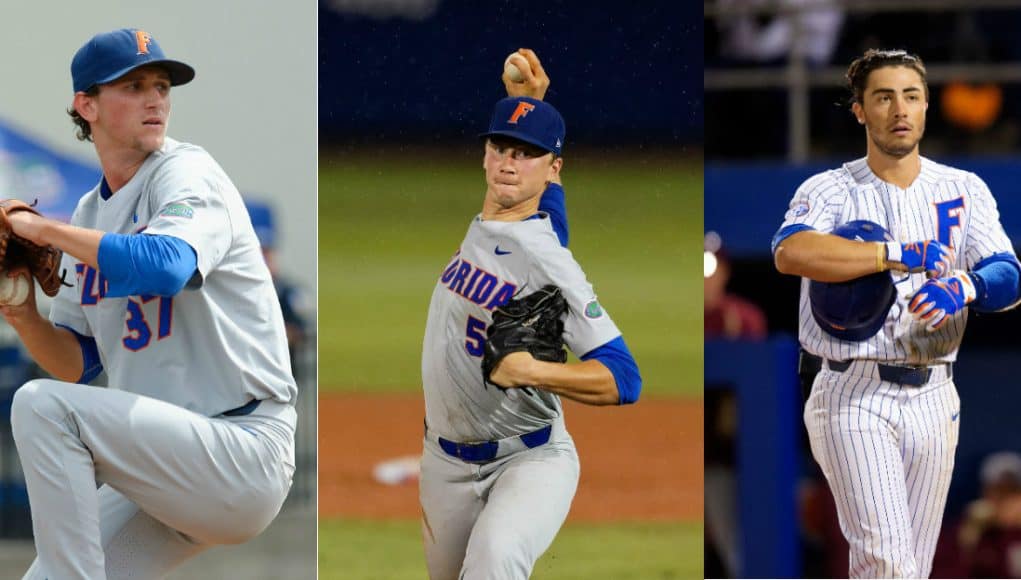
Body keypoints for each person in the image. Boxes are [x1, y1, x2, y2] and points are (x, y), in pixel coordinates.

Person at [4, 28, 297, 579]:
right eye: (133, 85)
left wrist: (44, 230)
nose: (155, 98)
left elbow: (166, 266)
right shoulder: (90, 214)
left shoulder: (186, 172)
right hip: (165, 467)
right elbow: (79, 362)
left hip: (241, 447)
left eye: (161, 85)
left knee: (39, 404)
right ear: (85, 104)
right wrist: (23, 315)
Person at [772, 48, 1021, 578]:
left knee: (910, 568)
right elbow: (789, 252)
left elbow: (1009, 276)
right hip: (852, 391)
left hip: (936, 394)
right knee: (887, 563)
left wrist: (968, 284)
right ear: (860, 110)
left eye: (911, 96)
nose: (899, 109)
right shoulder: (829, 190)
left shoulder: (962, 188)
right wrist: (891, 255)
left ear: (927, 106)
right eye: (883, 97)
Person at [417, 57, 642, 578]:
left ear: (554, 167)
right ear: (484, 154)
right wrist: (532, 108)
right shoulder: (498, 218)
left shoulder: (550, 264)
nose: (509, 163)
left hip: (529, 458)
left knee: (495, 561)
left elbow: (625, 378)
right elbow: (546, 220)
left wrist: (534, 370)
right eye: (500, 147)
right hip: (443, 464)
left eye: (527, 153)